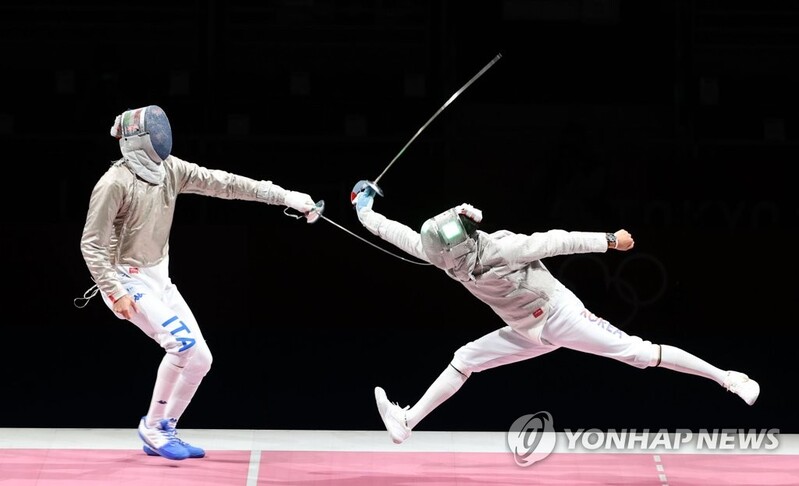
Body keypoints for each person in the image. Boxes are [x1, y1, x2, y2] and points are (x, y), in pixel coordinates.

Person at [349, 180, 760, 445]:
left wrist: (609, 240)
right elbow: (392, 231)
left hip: (561, 316)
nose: (448, 267)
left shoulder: (502, 250)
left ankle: (727, 377)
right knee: (465, 359)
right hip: (523, 330)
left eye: (449, 258)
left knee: (639, 354)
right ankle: (407, 422)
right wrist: (363, 207)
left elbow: (555, 240)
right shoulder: (440, 255)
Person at [78, 105, 319, 460]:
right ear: (137, 141)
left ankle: (164, 428)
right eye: (155, 133)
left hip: (159, 277)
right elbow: (92, 244)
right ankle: (153, 426)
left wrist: (285, 196)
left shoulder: (171, 170)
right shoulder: (114, 183)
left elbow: (226, 183)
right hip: (126, 280)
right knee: (180, 344)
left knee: (200, 359)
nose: (163, 139)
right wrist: (113, 293)